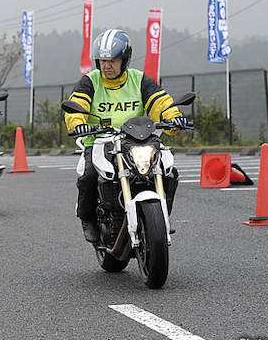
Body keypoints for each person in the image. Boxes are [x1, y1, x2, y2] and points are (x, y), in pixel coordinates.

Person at [64, 29, 189, 243]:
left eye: (113, 60)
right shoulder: (90, 81)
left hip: (137, 139)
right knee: (89, 176)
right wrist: (78, 123)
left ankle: (160, 217)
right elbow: (77, 105)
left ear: (125, 60)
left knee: (168, 172)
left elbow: (160, 102)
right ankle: (88, 219)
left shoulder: (139, 80)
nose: (107, 65)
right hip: (100, 142)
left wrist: (174, 118)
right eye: (103, 60)